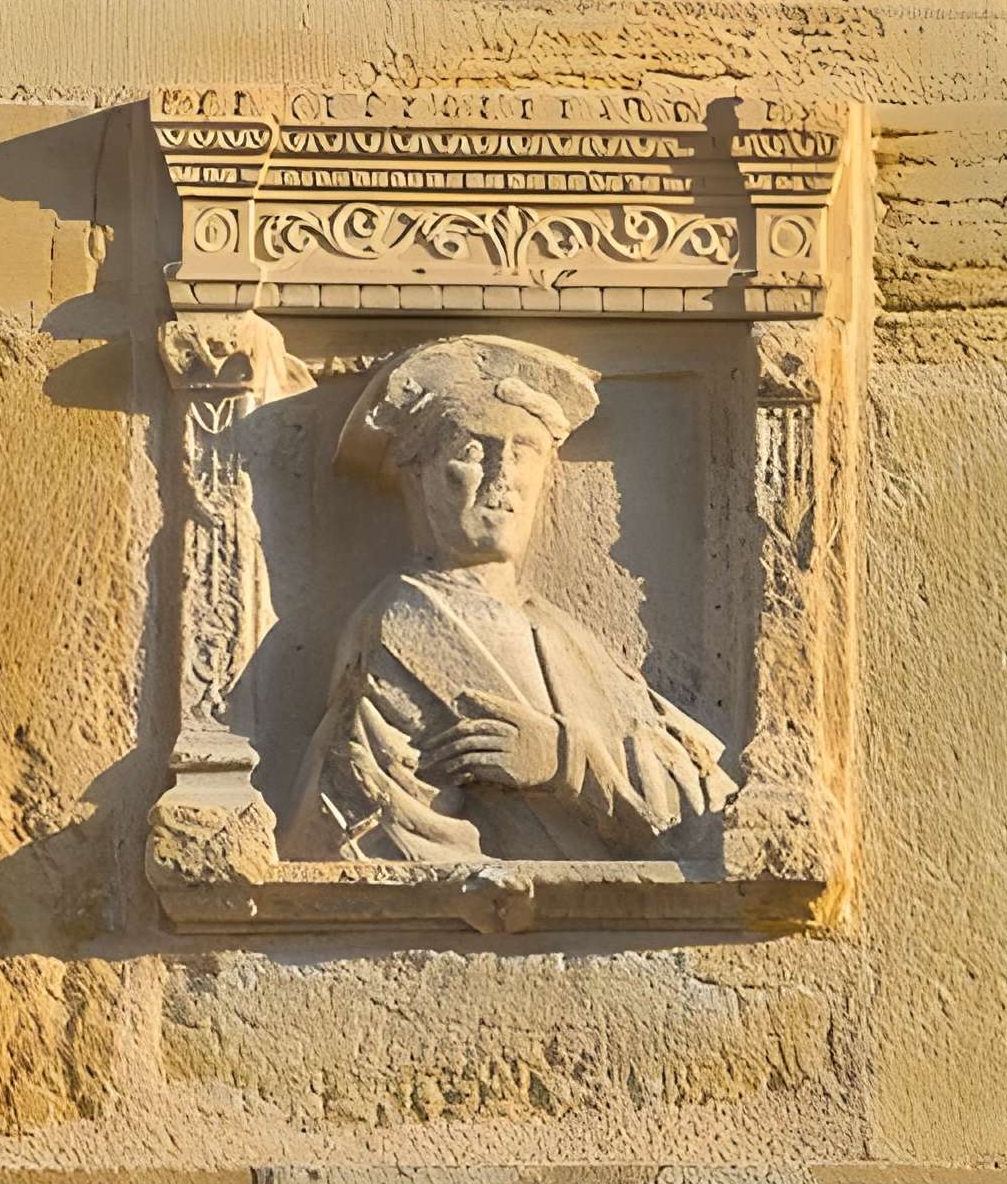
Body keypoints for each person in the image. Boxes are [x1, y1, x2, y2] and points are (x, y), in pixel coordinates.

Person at [287, 335, 737, 865]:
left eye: (523, 453)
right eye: (472, 452)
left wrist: (560, 760)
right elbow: (384, 841)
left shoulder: (558, 631)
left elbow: (696, 811)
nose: (503, 480)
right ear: (417, 473)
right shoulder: (404, 626)